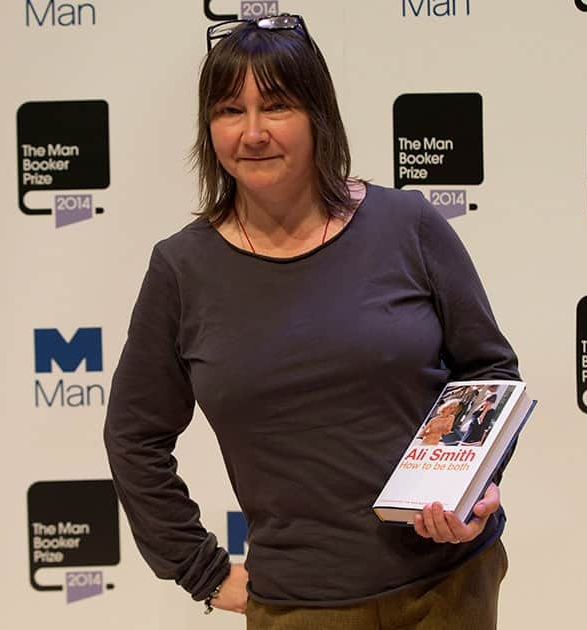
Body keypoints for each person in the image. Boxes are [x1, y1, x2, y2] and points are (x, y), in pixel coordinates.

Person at [104, 13, 520, 629]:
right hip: (300, 608)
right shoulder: (181, 269)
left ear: (317, 116)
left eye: (275, 106)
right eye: (228, 111)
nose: (251, 133)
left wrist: (473, 489)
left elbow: (488, 372)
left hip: (450, 586)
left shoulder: (407, 224)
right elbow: (134, 436)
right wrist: (202, 570)